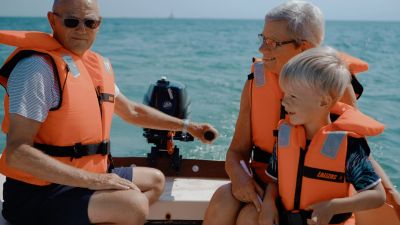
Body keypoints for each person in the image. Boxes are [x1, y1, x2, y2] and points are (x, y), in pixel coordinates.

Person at [0, 0, 218, 225]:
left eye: (90, 22)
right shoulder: (37, 69)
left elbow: (132, 111)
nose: (82, 30)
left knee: (155, 181)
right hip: (37, 193)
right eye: (72, 21)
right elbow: (18, 153)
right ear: (52, 20)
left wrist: (188, 126)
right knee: (132, 205)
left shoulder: (91, 66)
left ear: (99, 24)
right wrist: (94, 180)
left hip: (81, 177)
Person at [203, 1, 399, 225]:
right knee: (223, 199)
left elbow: (353, 148)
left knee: (249, 218)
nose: (262, 49)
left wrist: (392, 193)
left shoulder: (330, 88)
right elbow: (236, 151)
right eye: (262, 38)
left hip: (309, 197)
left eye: (272, 42)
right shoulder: (255, 84)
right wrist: (239, 177)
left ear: (304, 48)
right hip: (265, 184)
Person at [263, 46, 386, 225]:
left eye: (293, 96)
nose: (284, 102)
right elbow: (274, 180)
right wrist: (268, 203)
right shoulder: (284, 136)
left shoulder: (348, 146)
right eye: (284, 94)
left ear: (323, 100)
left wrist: (332, 206)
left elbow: (377, 195)